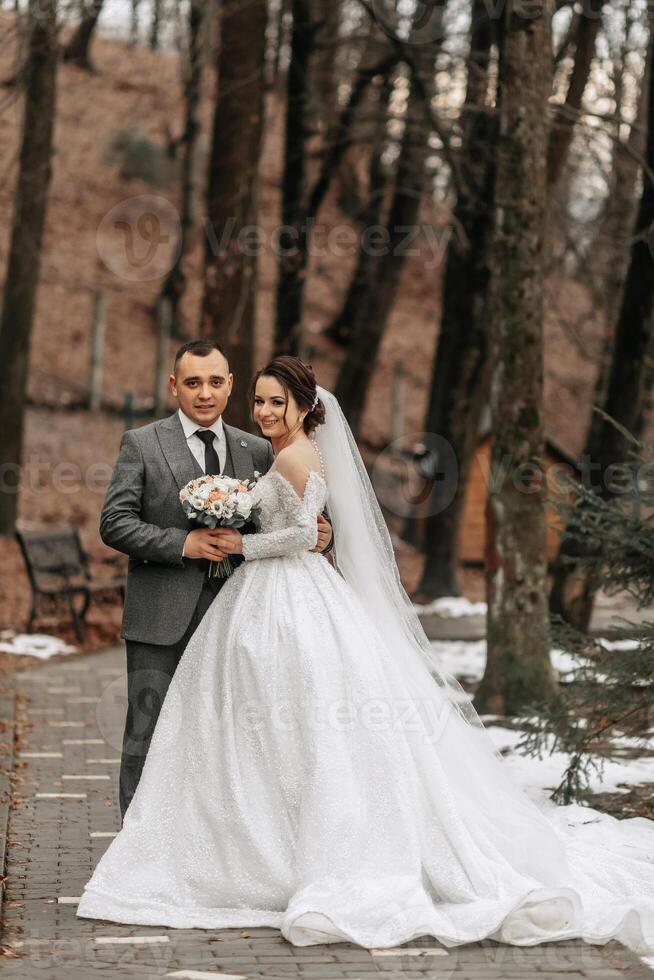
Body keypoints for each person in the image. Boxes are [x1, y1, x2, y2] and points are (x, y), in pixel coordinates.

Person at [78, 356, 654, 954]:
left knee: (274, 729)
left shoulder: (270, 450)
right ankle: (171, 842)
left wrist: (259, 541)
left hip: (273, 601)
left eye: (273, 400)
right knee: (184, 733)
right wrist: (219, 538)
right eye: (259, 400)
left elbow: (303, 526)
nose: (264, 410)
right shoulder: (158, 444)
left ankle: (257, 852)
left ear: (302, 406)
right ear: (176, 386)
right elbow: (123, 521)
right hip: (213, 607)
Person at [99, 342, 332, 819]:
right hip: (160, 619)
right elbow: (115, 522)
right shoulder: (142, 443)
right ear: (174, 387)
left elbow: (292, 519)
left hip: (241, 617)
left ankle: (208, 843)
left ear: (229, 384)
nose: (204, 393)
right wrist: (183, 545)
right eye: (192, 383)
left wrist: (324, 537)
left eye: (215, 382)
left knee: (228, 739)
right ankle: (136, 844)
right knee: (149, 732)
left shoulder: (259, 447)